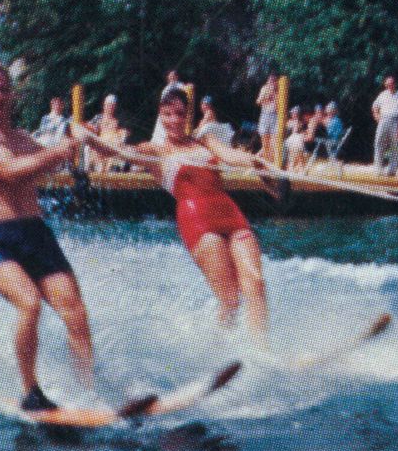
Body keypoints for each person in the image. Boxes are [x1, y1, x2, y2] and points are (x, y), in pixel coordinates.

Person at [79, 84, 274, 346]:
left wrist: (255, 162)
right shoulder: (155, 152)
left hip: (230, 214)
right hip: (198, 222)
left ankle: (262, 350)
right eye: (168, 114)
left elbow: (230, 156)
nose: (174, 120)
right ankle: (221, 350)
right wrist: (86, 137)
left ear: (187, 116)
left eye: (180, 114)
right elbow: (116, 151)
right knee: (230, 298)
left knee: (256, 283)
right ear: (161, 116)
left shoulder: (206, 140)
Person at [0, 55, 96, 413]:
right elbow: (10, 171)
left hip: (34, 234)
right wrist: (57, 152)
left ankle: (88, 391)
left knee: (75, 312)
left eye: (3, 89)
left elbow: (54, 159)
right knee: (30, 303)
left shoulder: (21, 137)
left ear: (12, 95)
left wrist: (80, 140)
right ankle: (30, 391)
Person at [370, 75, 398, 167]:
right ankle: (378, 167)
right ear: (385, 85)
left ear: (395, 84)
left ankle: (392, 169)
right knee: (379, 142)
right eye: (387, 84)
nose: (389, 86)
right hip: (383, 119)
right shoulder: (382, 95)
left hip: (396, 120)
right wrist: (376, 115)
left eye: (391, 84)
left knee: (394, 144)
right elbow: (375, 106)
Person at [151, 70, 187, 143]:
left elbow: (185, 99)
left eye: (173, 76)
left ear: (176, 77)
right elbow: (162, 103)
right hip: (167, 111)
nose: (172, 77)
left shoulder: (182, 86)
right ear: (168, 78)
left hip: (178, 110)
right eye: (170, 76)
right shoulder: (166, 89)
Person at [255, 74, 280, 161]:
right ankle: (265, 161)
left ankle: (271, 161)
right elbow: (258, 101)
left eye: (273, 81)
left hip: (275, 116)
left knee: (273, 142)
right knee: (265, 142)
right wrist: (266, 96)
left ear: (276, 82)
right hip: (265, 114)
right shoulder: (264, 88)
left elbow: (278, 107)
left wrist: (273, 94)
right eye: (270, 80)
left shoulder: (280, 91)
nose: (271, 82)